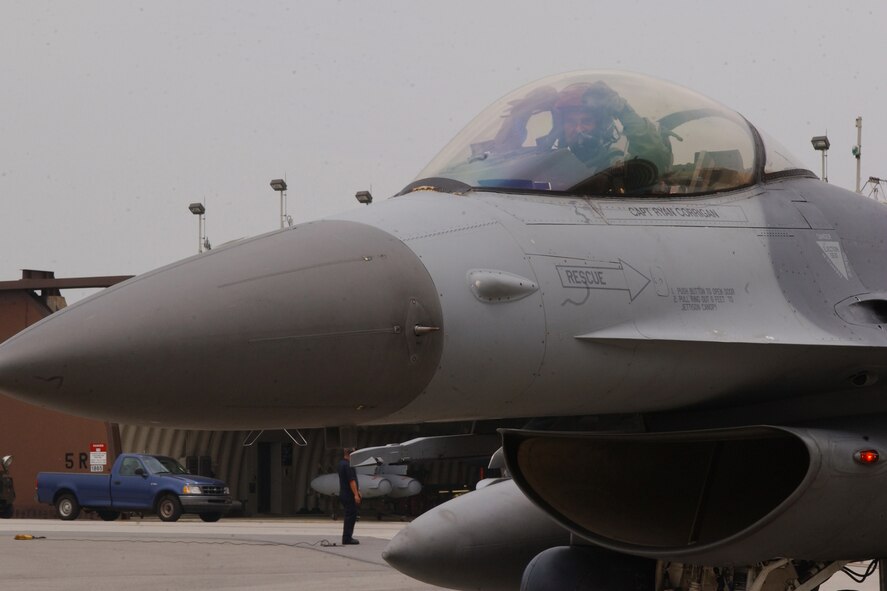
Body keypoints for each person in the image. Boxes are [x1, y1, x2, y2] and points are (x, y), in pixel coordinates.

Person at [553, 80, 672, 175]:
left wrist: (624, 111)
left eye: (586, 121)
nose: (578, 129)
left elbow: (653, 160)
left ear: (601, 127)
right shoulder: (552, 165)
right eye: (570, 122)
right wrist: (533, 109)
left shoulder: (613, 164)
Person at [337, 447, 361, 545]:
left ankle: (347, 537)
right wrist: (356, 494)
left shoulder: (341, 464)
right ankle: (347, 538)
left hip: (343, 493)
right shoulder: (348, 465)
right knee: (351, 516)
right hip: (349, 495)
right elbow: (351, 481)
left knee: (349, 515)